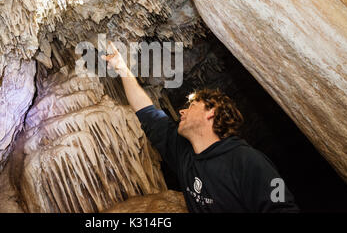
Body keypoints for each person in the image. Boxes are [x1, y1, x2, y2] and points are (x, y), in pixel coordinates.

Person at [102, 42, 299, 213]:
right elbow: (147, 113)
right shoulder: (184, 155)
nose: (182, 112)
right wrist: (122, 69)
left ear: (211, 112)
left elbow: (283, 208)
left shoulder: (247, 161)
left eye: (192, 106)